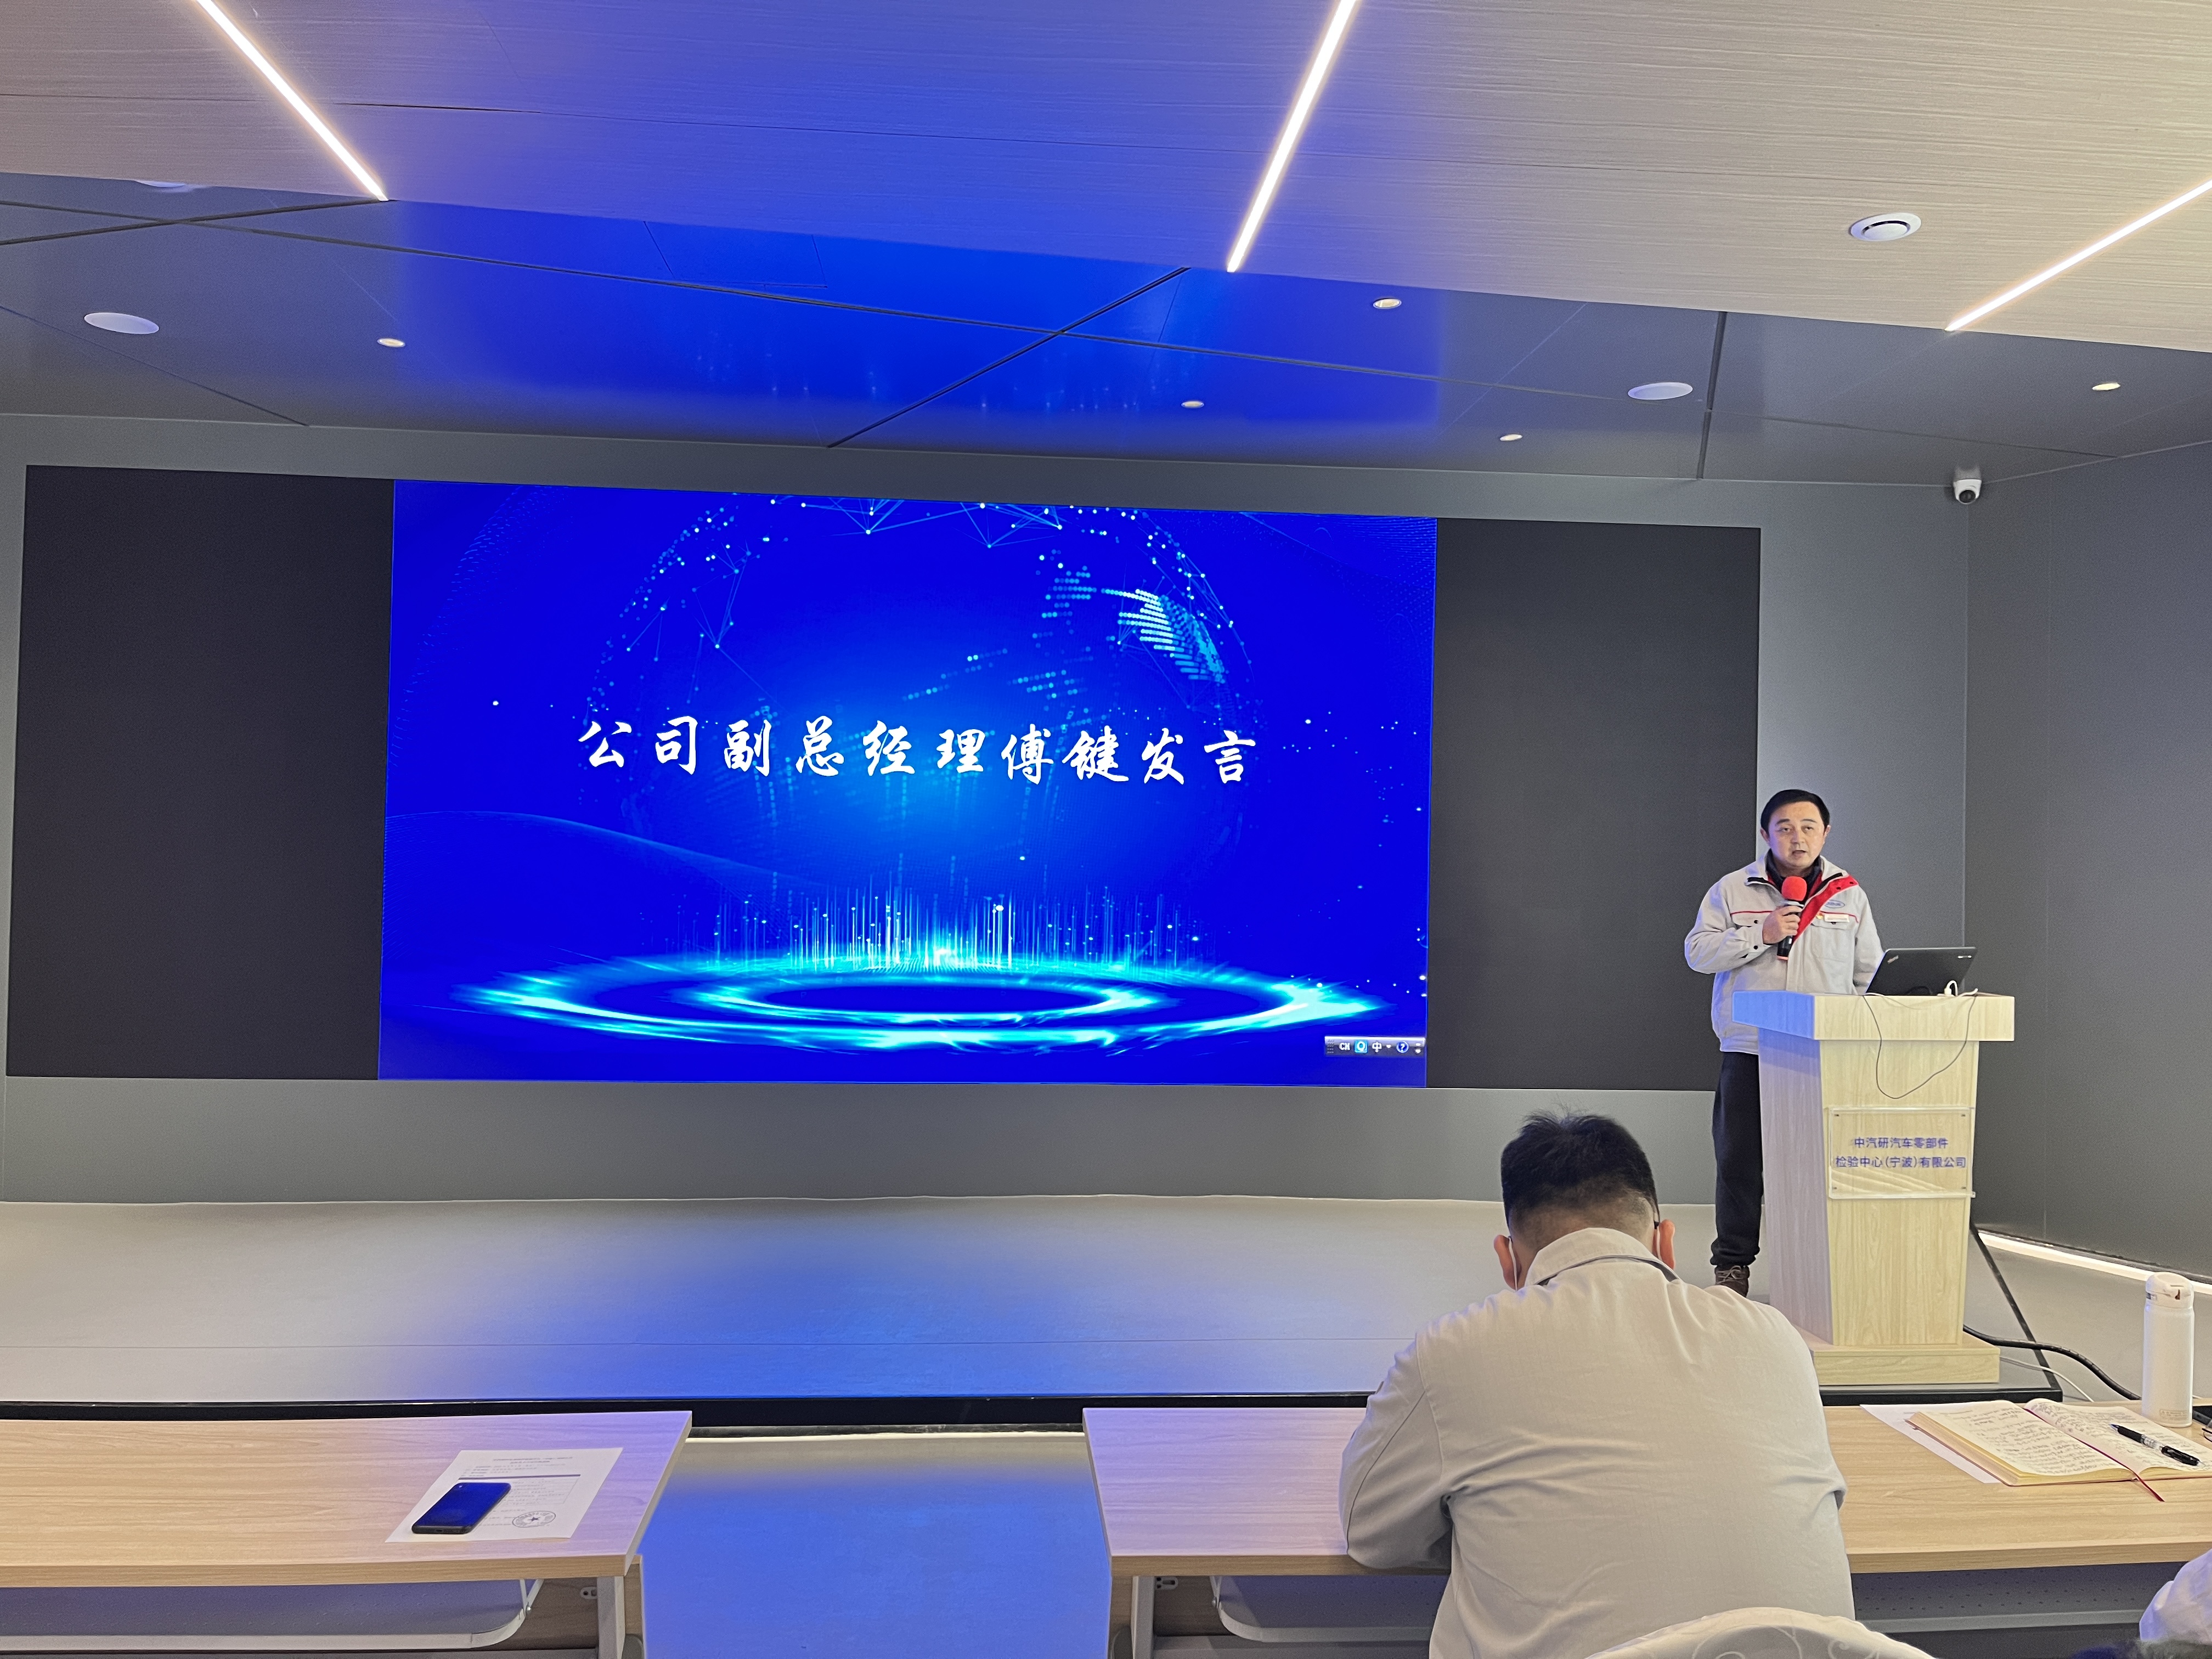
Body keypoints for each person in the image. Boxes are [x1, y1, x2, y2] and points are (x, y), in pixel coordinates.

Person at [1339, 1112, 1852, 1659]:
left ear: (1508, 1261)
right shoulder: (1774, 1336)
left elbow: (1371, 1534)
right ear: (1666, 1243)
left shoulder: (1452, 1352)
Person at [1685, 789, 1882, 1296]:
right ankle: (1733, 1264)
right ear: (1766, 834)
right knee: (1739, 1161)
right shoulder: (1733, 890)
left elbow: (1868, 973)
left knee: (1821, 1161)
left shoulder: (1849, 895)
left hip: (1824, 1049)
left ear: (1826, 833)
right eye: (1785, 827)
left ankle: (1818, 1263)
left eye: (1808, 827)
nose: (1798, 837)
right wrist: (1763, 934)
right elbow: (1698, 953)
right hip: (1751, 1046)